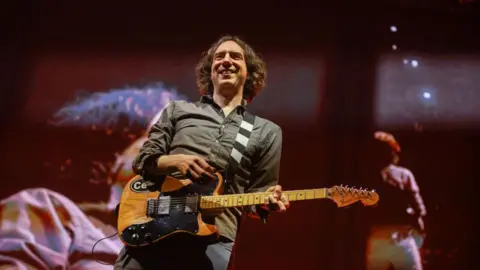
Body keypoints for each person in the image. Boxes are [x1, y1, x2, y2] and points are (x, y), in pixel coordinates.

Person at [114, 35, 290, 270]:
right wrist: (176, 161)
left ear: (249, 72)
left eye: (235, 57)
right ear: (210, 71)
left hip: (214, 239)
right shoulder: (178, 110)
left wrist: (267, 203)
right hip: (151, 230)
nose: (226, 61)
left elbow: (255, 200)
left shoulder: (266, 131)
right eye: (219, 57)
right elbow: (144, 161)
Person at [366, 131, 428, 270]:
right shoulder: (403, 175)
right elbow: (419, 207)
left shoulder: (365, 177)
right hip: (402, 237)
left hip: (376, 238)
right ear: (393, 151)